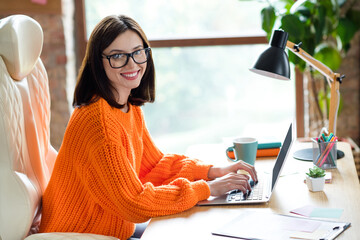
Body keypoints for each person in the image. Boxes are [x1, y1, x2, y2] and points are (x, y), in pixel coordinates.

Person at [39, 15, 258, 240]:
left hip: (111, 233)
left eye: (137, 52)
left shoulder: (127, 107)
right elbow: (133, 203)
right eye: (117, 56)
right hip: (81, 236)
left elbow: (153, 168)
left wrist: (213, 172)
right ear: (98, 61)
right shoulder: (98, 122)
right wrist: (208, 189)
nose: (132, 64)